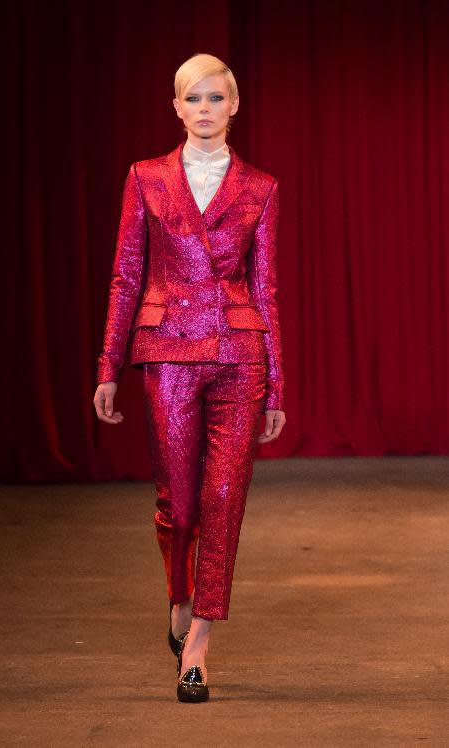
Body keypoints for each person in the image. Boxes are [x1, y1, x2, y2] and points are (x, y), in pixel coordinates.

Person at [93, 52, 286, 702]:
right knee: (178, 502)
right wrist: (108, 366)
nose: (204, 109)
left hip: (238, 353)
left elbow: (266, 287)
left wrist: (277, 384)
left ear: (235, 106)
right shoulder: (146, 177)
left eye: (216, 98)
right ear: (176, 107)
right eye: (193, 98)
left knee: (223, 499)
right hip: (169, 348)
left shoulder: (260, 188)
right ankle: (179, 593)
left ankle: (199, 639)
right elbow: (126, 274)